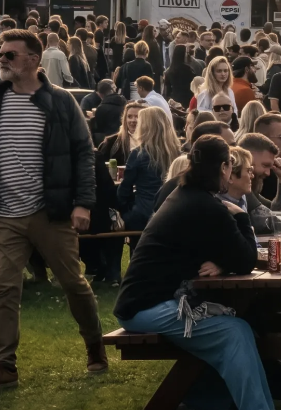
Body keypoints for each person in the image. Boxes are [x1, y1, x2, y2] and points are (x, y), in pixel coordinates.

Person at [113, 135, 281, 410]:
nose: (232, 172)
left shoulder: (185, 196)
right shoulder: (206, 205)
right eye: (230, 165)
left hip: (147, 301)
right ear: (222, 168)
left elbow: (220, 251)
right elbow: (244, 259)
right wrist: (242, 216)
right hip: (147, 308)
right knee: (234, 332)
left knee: (240, 328)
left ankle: (207, 405)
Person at [0, 29, 105, 388]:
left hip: (52, 211)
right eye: (2, 54)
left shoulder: (60, 101)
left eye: (10, 55)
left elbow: (83, 154)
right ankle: (5, 364)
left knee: (74, 284)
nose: (3, 60)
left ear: (33, 60)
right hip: (6, 214)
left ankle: (95, 345)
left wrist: (83, 204)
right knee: (4, 288)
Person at [117, 106, 179, 241]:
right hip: (172, 210)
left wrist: (124, 210)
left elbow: (125, 189)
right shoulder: (177, 152)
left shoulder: (139, 154)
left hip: (143, 213)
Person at [88, 79, 126, 145]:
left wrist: (93, 118)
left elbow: (99, 127)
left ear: (100, 94)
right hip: (124, 137)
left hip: (109, 140)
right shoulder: (125, 103)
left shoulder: (101, 108)